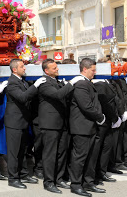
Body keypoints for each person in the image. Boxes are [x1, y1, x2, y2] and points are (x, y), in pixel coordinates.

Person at [37, 59, 82, 194]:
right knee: (50, 154)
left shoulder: (56, 81)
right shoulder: (44, 83)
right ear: (46, 71)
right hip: (50, 124)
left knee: (61, 152)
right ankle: (49, 182)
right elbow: (58, 95)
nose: (57, 69)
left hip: (61, 123)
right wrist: (71, 83)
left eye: (56, 67)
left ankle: (59, 178)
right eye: (54, 68)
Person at [5, 59, 45, 189]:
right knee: (14, 152)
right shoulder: (12, 83)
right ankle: (13, 178)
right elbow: (23, 97)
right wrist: (36, 85)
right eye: (22, 67)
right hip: (14, 122)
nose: (25, 69)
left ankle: (23, 173)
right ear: (14, 69)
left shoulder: (22, 81)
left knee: (22, 151)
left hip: (22, 121)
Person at [69, 58, 105, 197]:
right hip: (82, 126)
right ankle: (76, 185)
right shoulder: (81, 84)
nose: (94, 73)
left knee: (91, 157)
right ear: (85, 69)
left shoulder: (86, 83)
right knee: (80, 157)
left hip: (90, 126)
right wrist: (100, 117)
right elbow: (86, 106)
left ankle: (88, 183)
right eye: (93, 70)